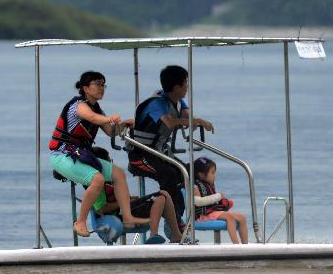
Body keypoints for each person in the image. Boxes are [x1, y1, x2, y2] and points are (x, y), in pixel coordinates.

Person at [49, 71, 149, 237]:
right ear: (85, 87)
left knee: (118, 173)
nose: (101, 88)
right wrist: (110, 118)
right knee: (97, 180)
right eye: (97, 84)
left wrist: (124, 124)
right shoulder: (78, 106)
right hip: (62, 156)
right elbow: (93, 118)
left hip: (80, 154)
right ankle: (80, 222)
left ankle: (128, 218)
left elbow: (111, 131)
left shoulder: (97, 109)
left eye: (103, 84)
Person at [127, 65, 214, 225]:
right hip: (140, 155)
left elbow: (187, 116)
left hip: (159, 153)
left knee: (188, 172)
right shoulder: (157, 103)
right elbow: (169, 122)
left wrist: (195, 121)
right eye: (186, 84)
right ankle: (169, 219)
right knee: (169, 176)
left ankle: (181, 217)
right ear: (176, 87)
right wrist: (198, 121)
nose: (187, 87)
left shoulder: (179, 101)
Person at [91, 147, 182, 244]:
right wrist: (125, 202)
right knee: (160, 197)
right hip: (119, 215)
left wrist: (130, 199)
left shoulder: (113, 179)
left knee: (164, 194)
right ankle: (155, 234)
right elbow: (101, 209)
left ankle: (175, 235)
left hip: (125, 210)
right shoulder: (96, 183)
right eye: (109, 161)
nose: (112, 164)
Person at [193, 157, 248, 244]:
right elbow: (198, 202)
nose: (215, 175)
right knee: (229, 217)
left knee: (242, 218)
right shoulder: (195, 186)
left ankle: (245, 245)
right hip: (203, 216)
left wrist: (224, 202)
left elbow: (213, 202)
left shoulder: (209, 185)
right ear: (201, 174)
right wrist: (217, 197)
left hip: (212, 213)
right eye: (212, 173)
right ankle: (236, 245)